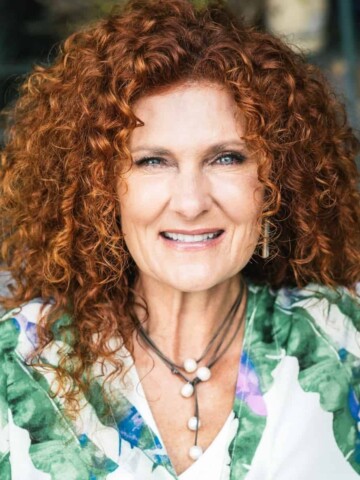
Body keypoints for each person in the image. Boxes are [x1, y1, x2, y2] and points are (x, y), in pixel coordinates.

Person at [0, 0, 359, 479]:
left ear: (276, 181)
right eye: (153, 161)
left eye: (227, 158)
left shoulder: (343, 339)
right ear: (101, 187)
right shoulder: (17, 364)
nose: (191, 203)